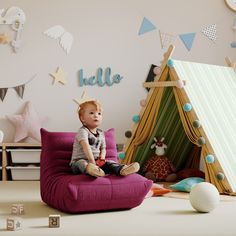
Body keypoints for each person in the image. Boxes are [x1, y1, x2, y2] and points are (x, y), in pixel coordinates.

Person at [70, 99, 140, 177]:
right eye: (91, 113)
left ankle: (122, 169)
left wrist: (102, 159)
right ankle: (92, 170)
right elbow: (86, 147)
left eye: (99, 113)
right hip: (78, 163)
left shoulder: (100, 133)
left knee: (109, 162)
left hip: (96, 162)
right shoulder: (83, 131)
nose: (96, 115)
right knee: (82, 163)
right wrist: (92, 162)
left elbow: (103, 148)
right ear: (82, 118)